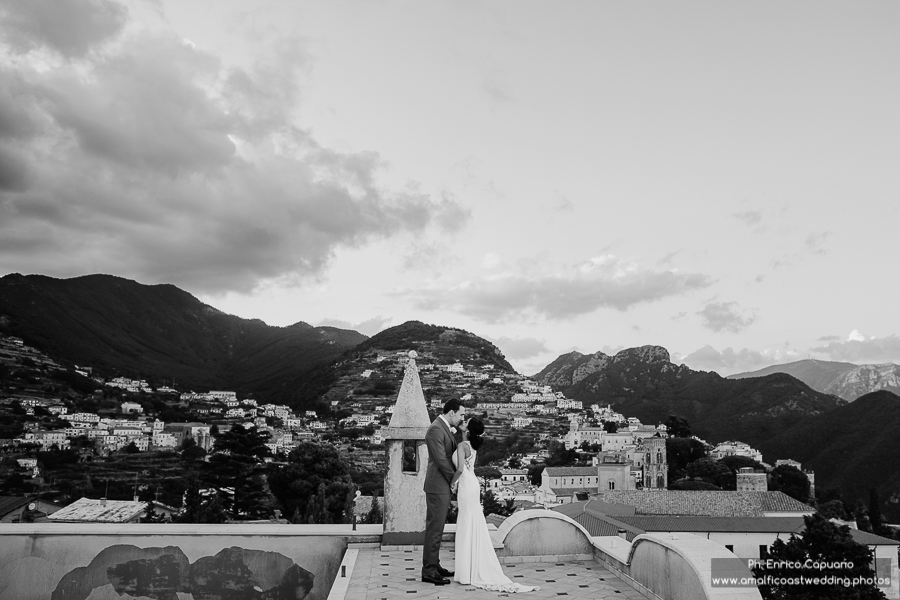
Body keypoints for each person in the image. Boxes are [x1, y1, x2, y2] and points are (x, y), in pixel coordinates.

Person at [450, 417, 540, 593]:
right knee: (471, 523)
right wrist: (460, 429)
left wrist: (452, 484)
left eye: (466, 423)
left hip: (466, 485)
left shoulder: (462, 446)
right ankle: (468, 570)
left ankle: (466, 572)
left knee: (466, 524)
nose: (464, 423)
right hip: (472, 484)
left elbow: (460, 469)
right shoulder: (470, 445)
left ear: (468, 430)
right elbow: (464, 456)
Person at [421, 399, 466, 585]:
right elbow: (441, 459)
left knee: (438, 528)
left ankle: (435, 565)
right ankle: (429, 571)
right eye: (461, 414)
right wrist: (455, 480)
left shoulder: (444, 427)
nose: (463, 418)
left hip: (441, 486)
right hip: (438, 485)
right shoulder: (435, 429)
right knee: (434, 529)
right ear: (452, 412)